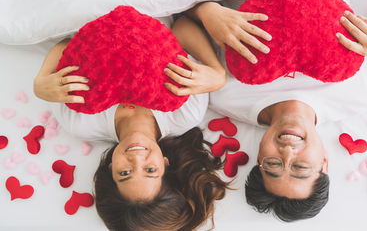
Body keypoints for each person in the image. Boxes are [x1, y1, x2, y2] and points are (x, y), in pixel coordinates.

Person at [180, 0, 367, 222]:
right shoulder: (361, 93)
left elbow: (179, 18)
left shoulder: (222, 94)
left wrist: (206, 12)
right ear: (324, 161)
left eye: (273, 164)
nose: (287, 152)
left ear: (260, 160)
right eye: (301, 167)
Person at [33, 15, 229, 230]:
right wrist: (217, 73)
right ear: (164, 163)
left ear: (110, 169)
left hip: (90, 12)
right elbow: (182, 27)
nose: (136, 158)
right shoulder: (185, 113)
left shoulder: (80, 120)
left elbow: (69, 45)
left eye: (124, 173)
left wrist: (41, 82)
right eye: (150, 170)